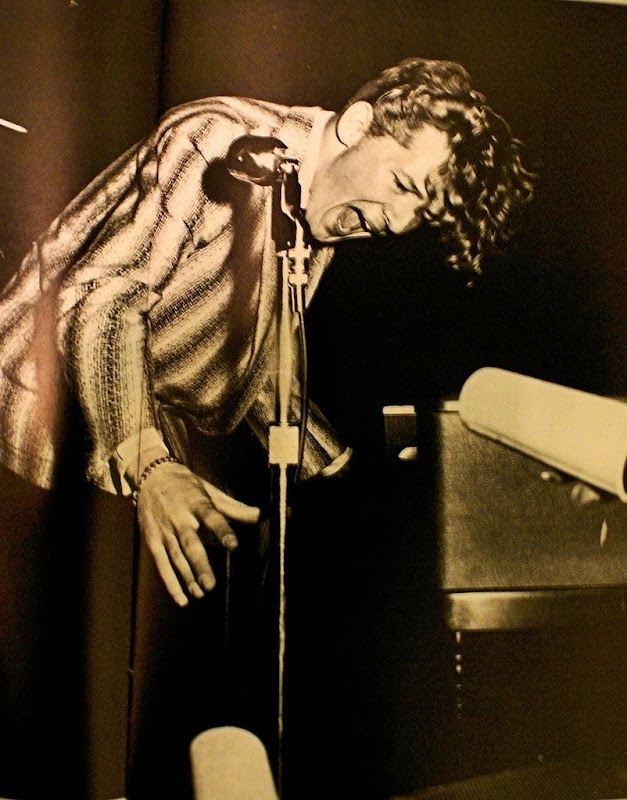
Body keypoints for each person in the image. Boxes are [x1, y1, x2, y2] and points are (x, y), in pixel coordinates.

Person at [0, 56, 534, 607]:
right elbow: (103, 297)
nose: (395, 223)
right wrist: (151, 464)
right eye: (402, 184)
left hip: (110, 439)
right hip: (28, 414)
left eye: (421, 214)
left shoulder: (315, 210)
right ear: (357, 125)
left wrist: (345, 474)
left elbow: (259, 368)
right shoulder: (218, 140)